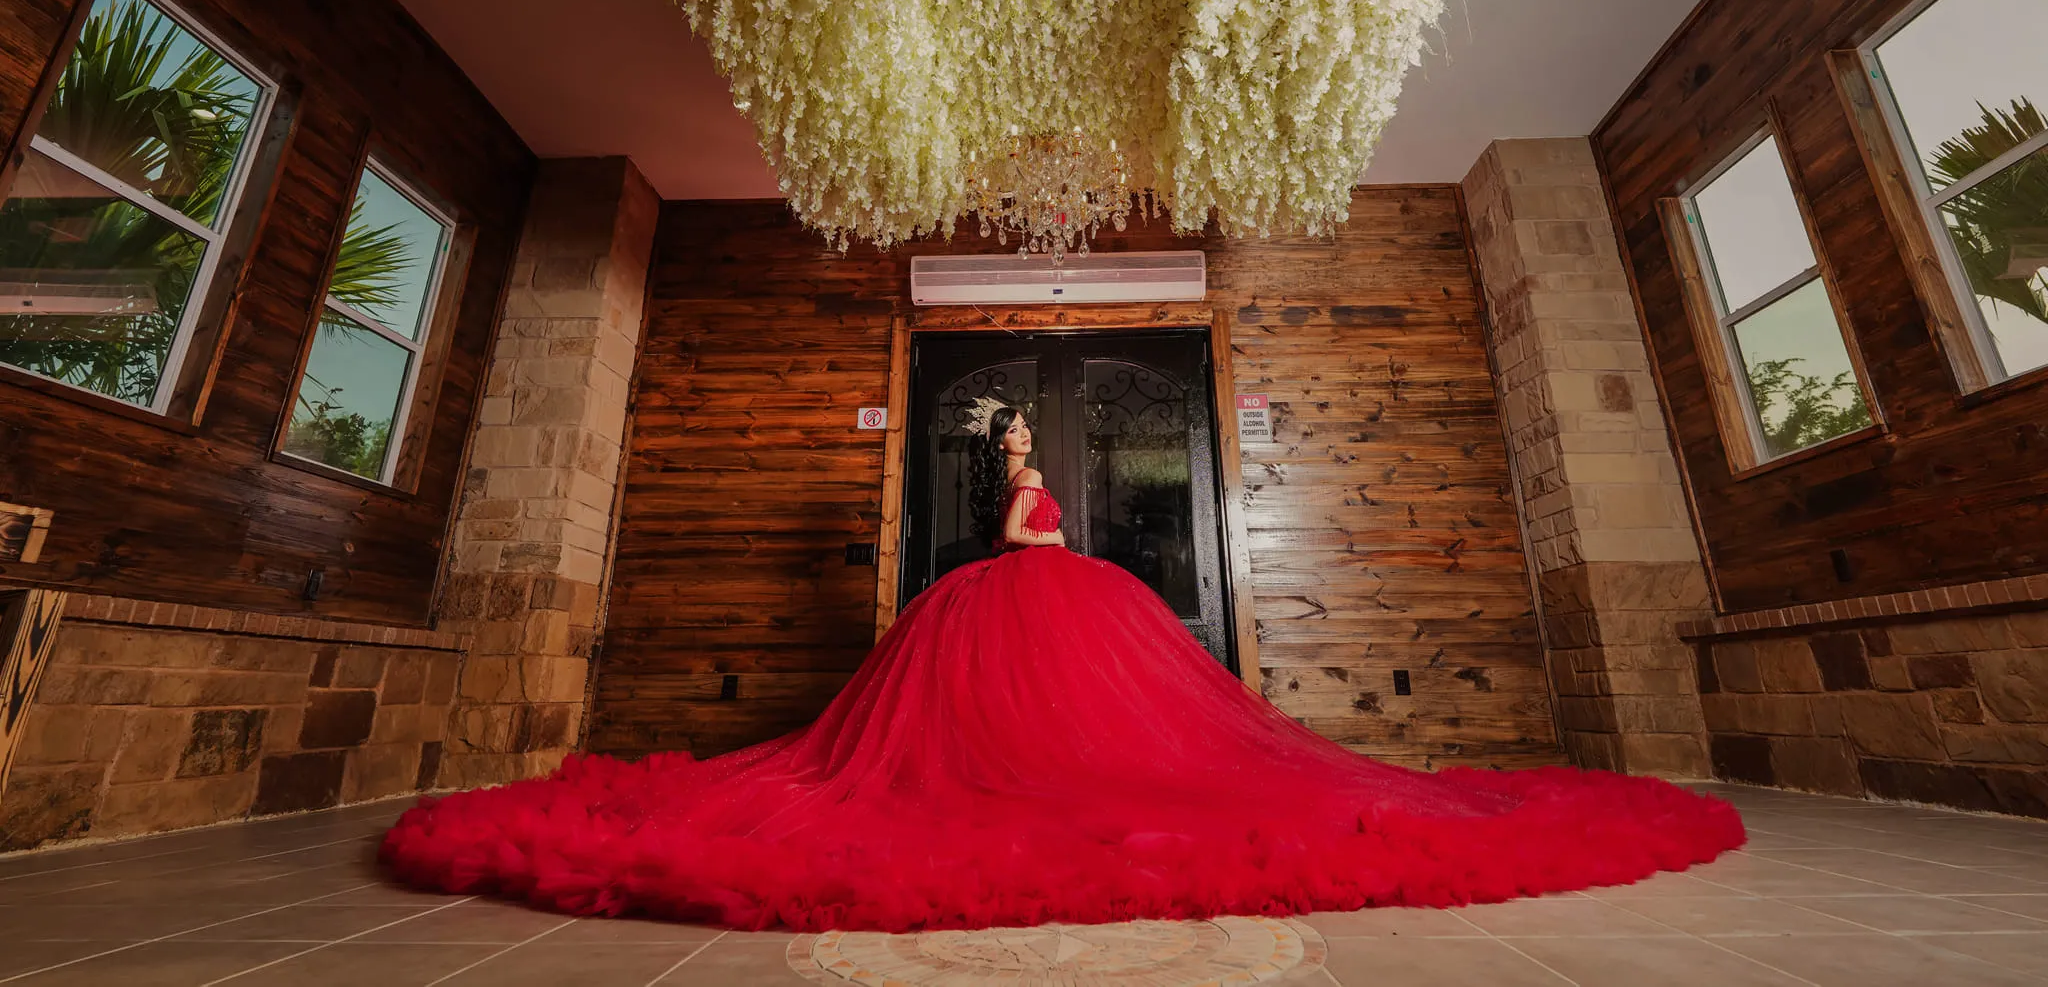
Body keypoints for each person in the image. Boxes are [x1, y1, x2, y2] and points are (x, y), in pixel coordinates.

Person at [381, 398, 1742, 932]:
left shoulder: (1033, 507)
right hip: (1012, 600)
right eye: (1019, 448)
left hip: (1041, 599)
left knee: (1138, 736)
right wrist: (1015, 517)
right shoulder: (1008, 501)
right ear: (1012, 460)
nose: (1026, 459)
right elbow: (1024, 527)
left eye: (1030, 447)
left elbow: (1044, 535)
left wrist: (1036, 522)